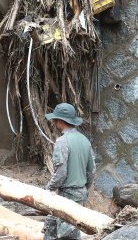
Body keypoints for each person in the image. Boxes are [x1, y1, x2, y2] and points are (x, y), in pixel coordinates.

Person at [43, 102, 95, 240]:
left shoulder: (62, 141)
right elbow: (91, 171)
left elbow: (61, 174)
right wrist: (83, 188)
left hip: (67, 195)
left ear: (60, 121)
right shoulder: (85, 141)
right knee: (54, 231)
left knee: (65, 236)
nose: (54, 122)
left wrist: (48, 189)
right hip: (81, 193)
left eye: (55, 120)